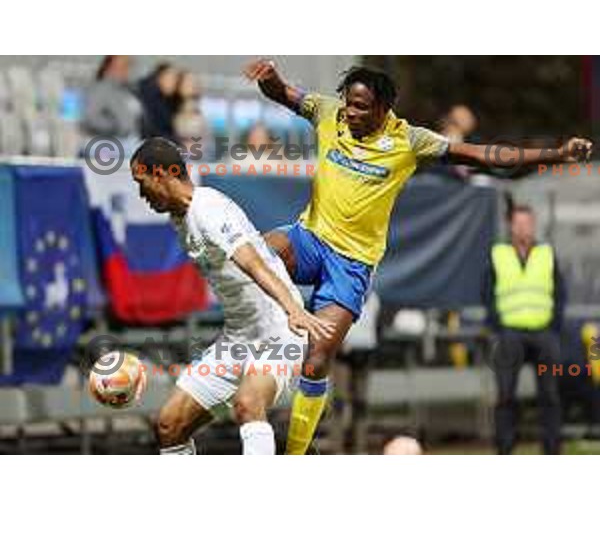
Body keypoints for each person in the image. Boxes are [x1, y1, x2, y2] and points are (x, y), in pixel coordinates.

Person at [244, 58, 592, 455]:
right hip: (309, 239)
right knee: (257, 251)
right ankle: (251, 340)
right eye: (349, 104)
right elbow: (283, 94)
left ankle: (296, 454)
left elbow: (483, 155)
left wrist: (556, 154)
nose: (351, 113)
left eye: (361, 107)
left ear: (382, 109)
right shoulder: (327, 112)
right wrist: (270, 79)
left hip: (351, 264)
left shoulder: (410, 141)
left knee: (316, 360)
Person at [130, 138, 334, 455]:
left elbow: (252, 262)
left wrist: (293, 308)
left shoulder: (207, 209)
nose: (141, 194)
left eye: (141, 183)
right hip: (238, 341)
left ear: (161, 175)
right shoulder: (180, 218)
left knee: (248, 404)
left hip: (279, 334)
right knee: (170, 425)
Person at [483, 204, 566, 454]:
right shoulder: (498, 253)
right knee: (506, 395)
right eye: (518, 223)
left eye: (527, 223)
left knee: (550, 396)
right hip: (510, 335)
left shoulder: (546, 252)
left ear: (534, 224)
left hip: (543, 334)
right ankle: (505, 450)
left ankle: (552, 451)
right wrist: (497, 326)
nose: (523, 228)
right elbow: (486, 293)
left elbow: (560, 293)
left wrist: (553, 326)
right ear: (510, 226)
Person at [82, 55, 142, 138]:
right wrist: (116, 127)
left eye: (127, 66)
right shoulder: (100, 89)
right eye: (121, 67)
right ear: (109, 67)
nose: (125, 70)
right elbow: (90, 118)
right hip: (110, 144)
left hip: (131, 141)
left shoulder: (127, 90)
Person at [138, 63, 179, 139]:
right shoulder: (150, 98)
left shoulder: (165, 99)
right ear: (159, 77)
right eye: (171, 78)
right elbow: (154, 129)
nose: (174, 83)